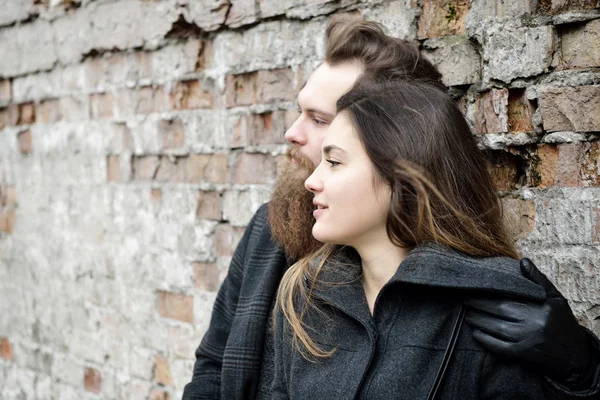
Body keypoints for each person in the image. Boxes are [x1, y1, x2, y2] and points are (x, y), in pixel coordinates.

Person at [182, 19, 600, 400]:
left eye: (320, 119)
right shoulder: (273, 237)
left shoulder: (478, 300)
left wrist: (583, 368)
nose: (293, 133)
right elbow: (215, 366)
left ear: (401, 147)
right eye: (299, 111)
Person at [270, 78, 571, 399]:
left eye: (333, 162)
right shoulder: (305, 292)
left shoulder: (496, 305)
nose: (312, 181)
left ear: (401, 176)